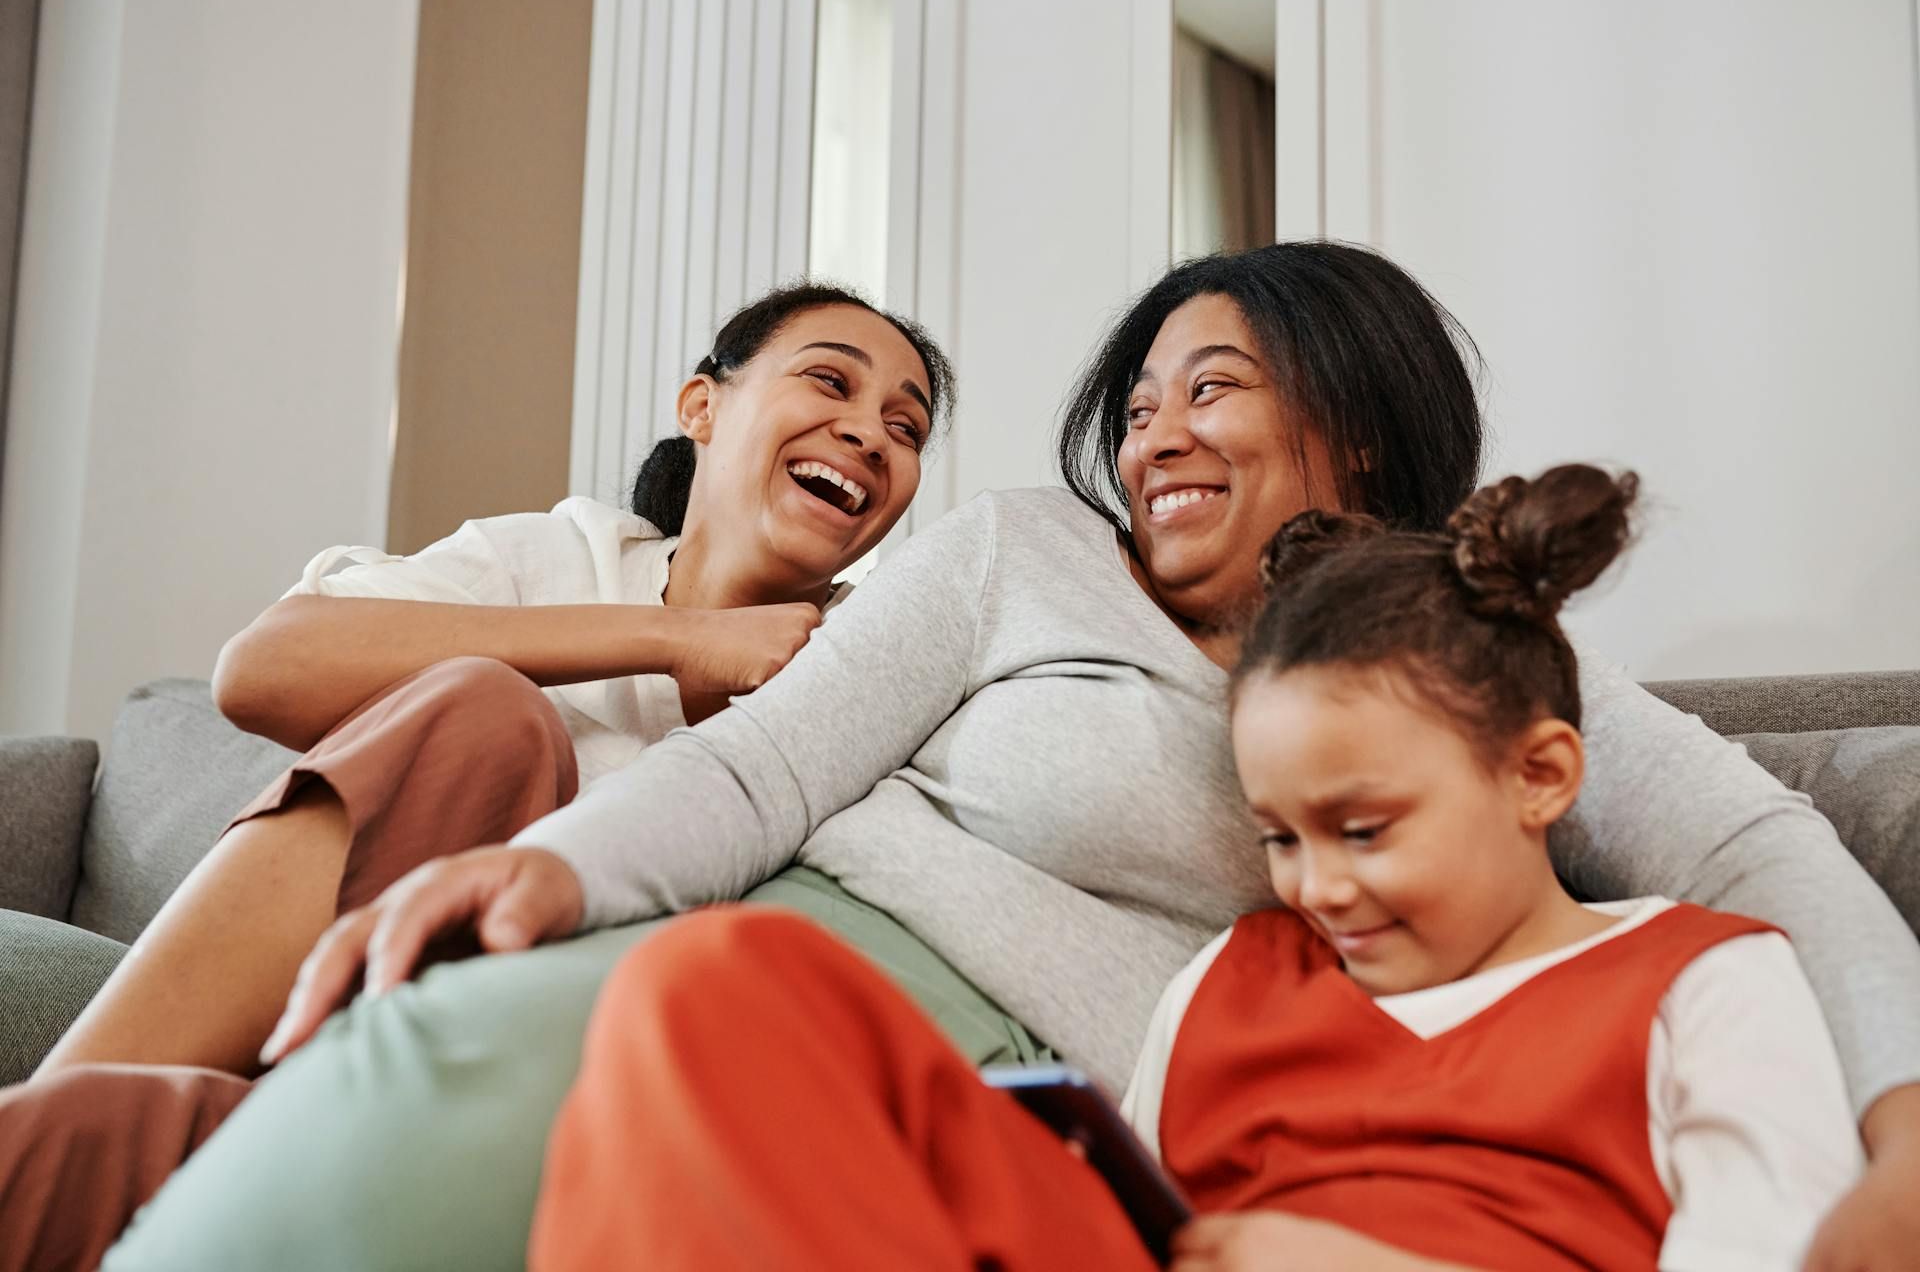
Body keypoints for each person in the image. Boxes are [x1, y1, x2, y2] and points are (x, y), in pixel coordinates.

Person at [100, 244, 1920, 1272]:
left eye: (1208, 388)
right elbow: (768, 774)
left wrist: (1900, 1129)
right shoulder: (1014, 558)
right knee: (292, 1157)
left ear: (1355, 416)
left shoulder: (1475, 659)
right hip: (751, 963)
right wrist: (558, 865)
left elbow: (1765, 856)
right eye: (1133, 411)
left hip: (1030, 1128)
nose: (1151, 442)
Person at [523, 464, 1864, 1271]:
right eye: (1279, 836)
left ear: (1541, 777)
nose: (1315, 885)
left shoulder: (1702, 979)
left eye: (1365, 828)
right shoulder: (1242, 973)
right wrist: (795, 783)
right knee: (712, 985)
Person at [0, 281, 953, 1272]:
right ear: (701, 407)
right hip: (329, 1042)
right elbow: (262, 670)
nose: (871, 435)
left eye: (905, 426)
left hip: (534, 1089)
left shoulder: (878, 665)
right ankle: (82, 1114)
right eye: (829, 381)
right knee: (488, 717)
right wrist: (681, 636)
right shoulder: (559, 557)